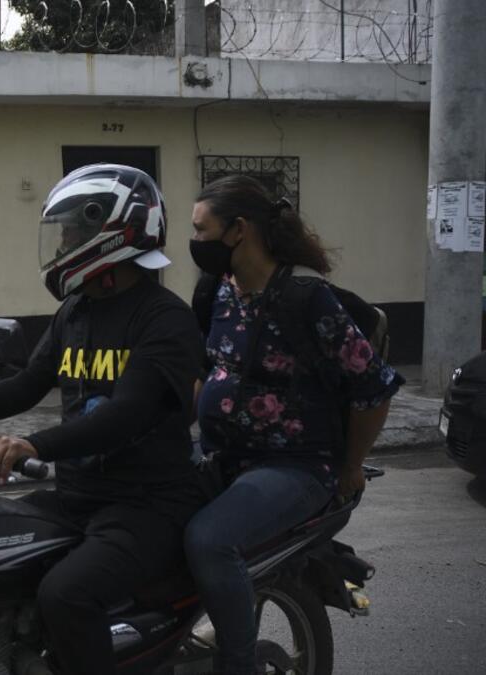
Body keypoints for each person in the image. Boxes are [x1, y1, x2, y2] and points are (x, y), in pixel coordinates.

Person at [0, 164, 207, 675]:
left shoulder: (163, 318)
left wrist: (31, 446)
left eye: (73, 229)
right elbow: (26, 383)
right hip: (78, 497)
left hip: (148, 505)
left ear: (113, 230)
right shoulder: (77, 311)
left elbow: (127, 415)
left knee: (66, 594)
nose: (63, 240)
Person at [184, 175, 402, 675]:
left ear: (239, 231)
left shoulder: (307, 299)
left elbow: (372, 389)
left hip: (297, 466)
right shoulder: (212, 292)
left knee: (209, 540)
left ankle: (236, 664)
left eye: (202, 231)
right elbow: (203, 369)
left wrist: (351, 467)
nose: (195, 244)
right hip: (223, 458)